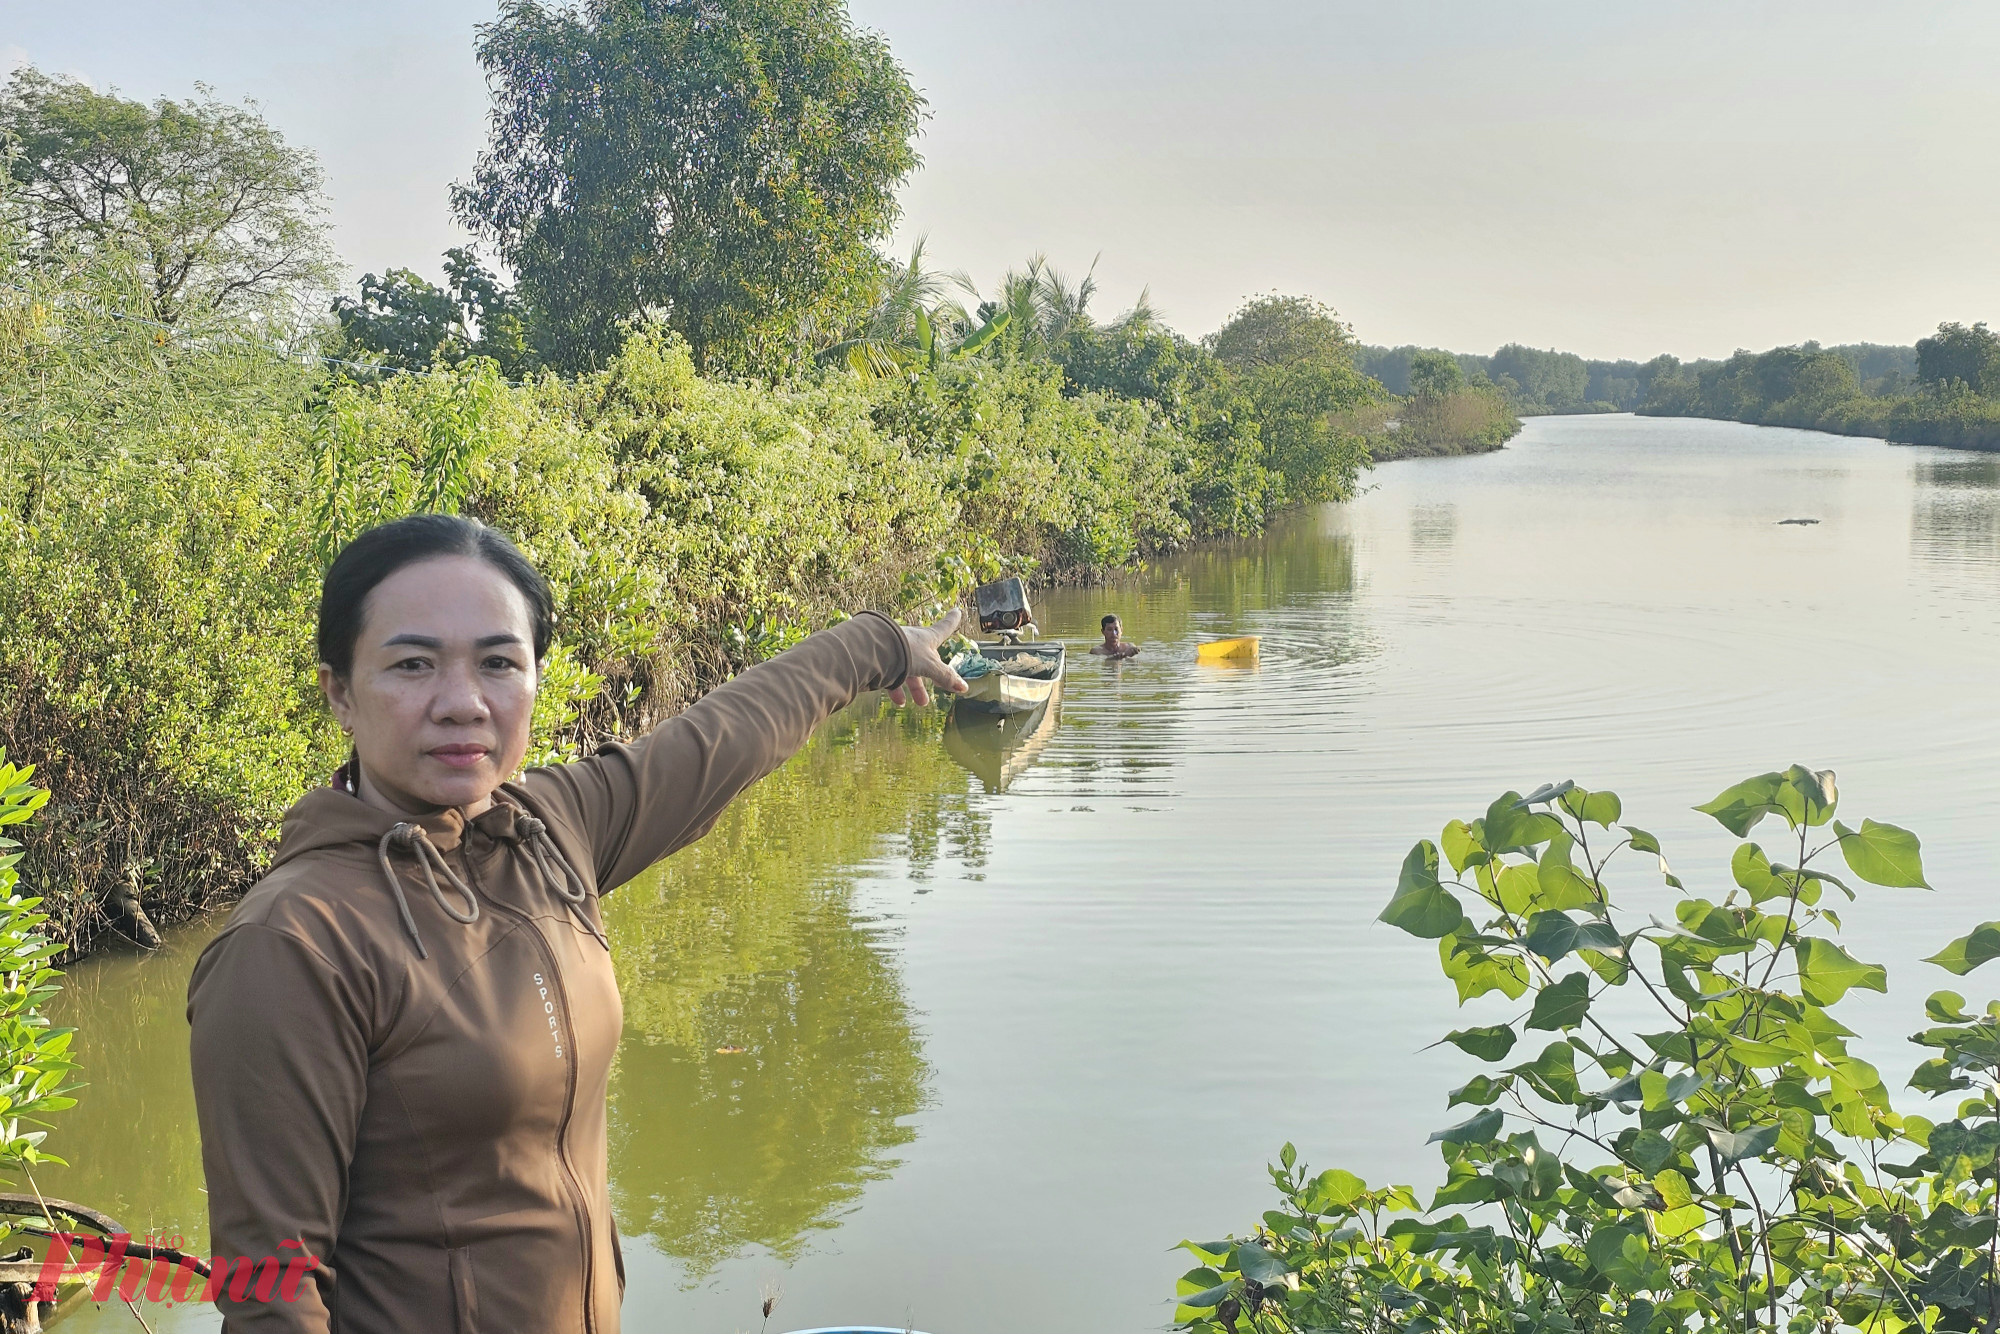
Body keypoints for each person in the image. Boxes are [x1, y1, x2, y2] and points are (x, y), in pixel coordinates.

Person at [185, 514, 966, 1333]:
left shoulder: (548, 830)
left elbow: (723, 737)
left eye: (498, 663)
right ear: (340, 691)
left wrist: (878, 646)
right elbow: (270, 1291)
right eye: (413, 665)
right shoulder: (293, 945)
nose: (463, 703)